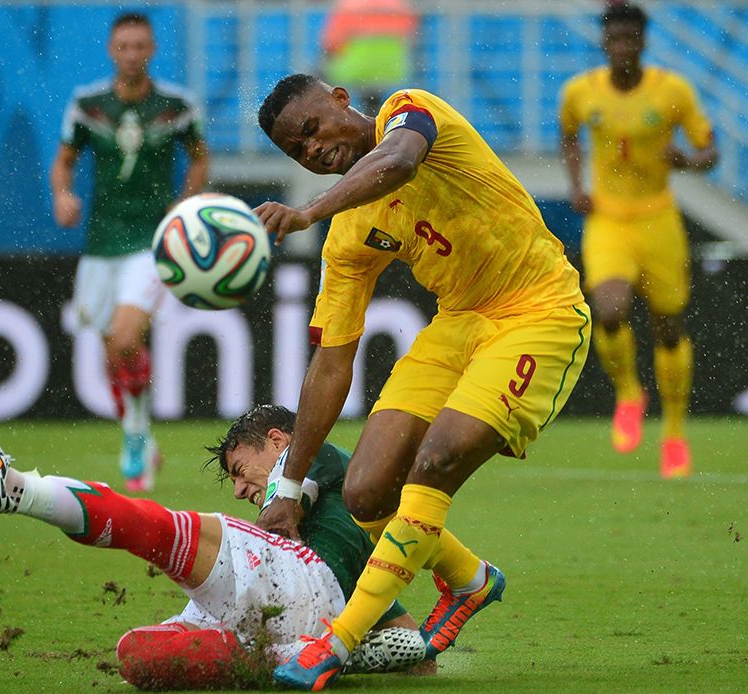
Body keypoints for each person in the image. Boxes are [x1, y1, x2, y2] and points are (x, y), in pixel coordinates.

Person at [250, 73, 591, 690]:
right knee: (365, 493)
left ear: (340, 100)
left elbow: (399, 164)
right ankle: (468, 579)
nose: (313, 150)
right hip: (457, 324)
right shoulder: (348, 237)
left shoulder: (411, 113)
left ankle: (338, 641)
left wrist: (307, 210)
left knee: (434, 460)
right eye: (297, 152)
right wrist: (291, 484)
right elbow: (331, 361)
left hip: (537, 311)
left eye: (311, 129)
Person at [0, 390, 429, 689]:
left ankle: (17, 490)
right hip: (301, 617)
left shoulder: (308, 451)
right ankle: (294, 655)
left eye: (240, 471)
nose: (239, 490)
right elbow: (412, 646)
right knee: (138, 655)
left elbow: (280, 520)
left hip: (290, 580)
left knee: (159, 529)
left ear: (280, 442)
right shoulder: (356, 525)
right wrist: (389, 652)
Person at [50, 12, 210, 492]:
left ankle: (136, 437)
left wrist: (186, 203)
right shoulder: (87, 104)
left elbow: (200, 156)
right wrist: (62, 194)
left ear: (153, 49)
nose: (132, 54)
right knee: (111, 358)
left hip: (150, 239)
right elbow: (64, 162)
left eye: (141, 46)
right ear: (111, 50)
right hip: (101, 241)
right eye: (124, 46)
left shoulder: (177, 105)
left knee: (123, 340)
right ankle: (138, 431)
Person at [559, 2, 717, 479]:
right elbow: (568, 136)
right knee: (608, 309)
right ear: (605, 44)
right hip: (609, 220)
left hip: (659, 219)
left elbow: (710, 150)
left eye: (632, 39)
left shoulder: (672, 92)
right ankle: (629, 391)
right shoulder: (581, 92)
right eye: (616, 40)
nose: (624, 47)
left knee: (668, 325)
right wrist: (578, 186)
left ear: (644, 43)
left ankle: (673, 432)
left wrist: (687, 160)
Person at [320, 0, 420, 116]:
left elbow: (331, 44)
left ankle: (326, 118)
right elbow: (412, 37)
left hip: (354, 69)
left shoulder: (347, 6)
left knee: (318, 77)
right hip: (391, 69)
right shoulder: (401, 6)